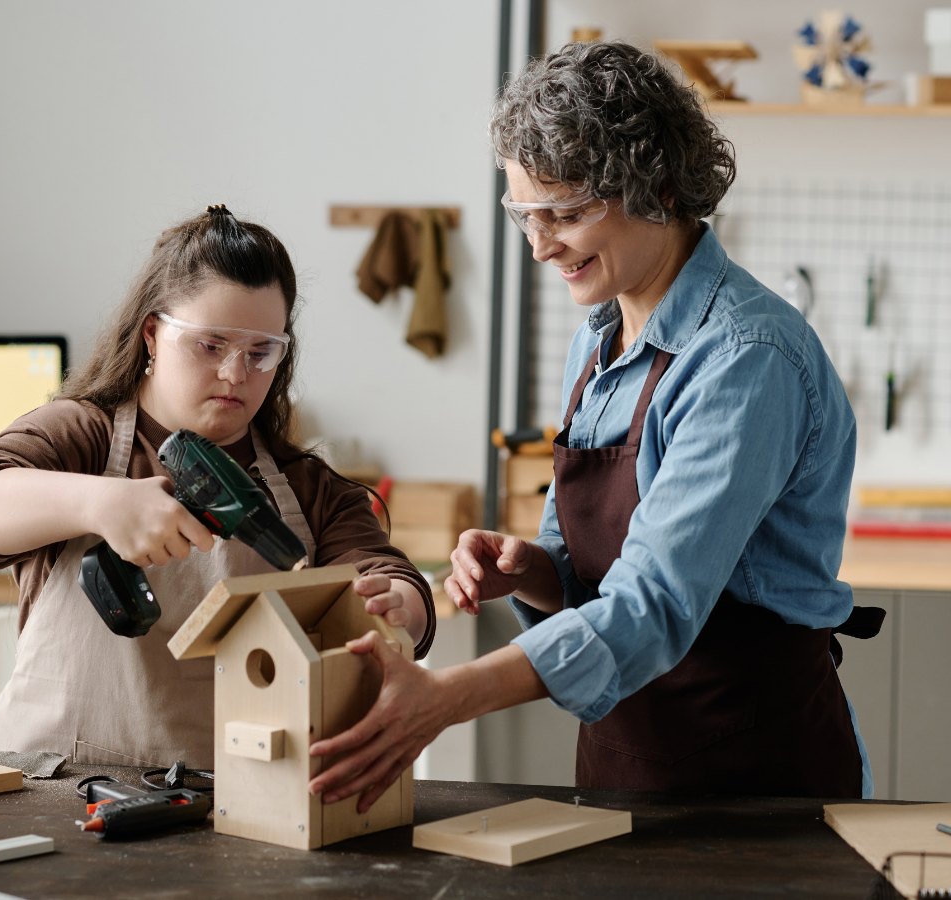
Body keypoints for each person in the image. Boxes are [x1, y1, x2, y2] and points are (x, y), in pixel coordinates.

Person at [309, 41, 882, 812]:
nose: (542, 245)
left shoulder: (747, 360)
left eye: (568, 213)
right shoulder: (599, 337)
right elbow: (584, 564)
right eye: (525, 214)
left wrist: (445, 696)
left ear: (661, 188)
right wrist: (532, 570)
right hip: (630, 760)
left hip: (758, 774)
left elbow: (653, 603)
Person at [0, 206, 435, 768]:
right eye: (211, 345)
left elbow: (389, 577)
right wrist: (98, 502)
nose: (235, 374)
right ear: (154, 334)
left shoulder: (307, 487)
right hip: (51, 787)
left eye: (261, 351)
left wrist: (401, 606)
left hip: (234, 800)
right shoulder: (83, 435)